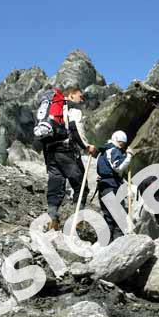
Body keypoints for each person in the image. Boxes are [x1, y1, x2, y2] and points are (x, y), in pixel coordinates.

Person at [42, 86, 97, 231]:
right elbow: (75, 128)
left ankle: (52, 220)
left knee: (55, 186)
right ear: (71, 95)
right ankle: (78, 223)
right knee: (81, 186)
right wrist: (86, 146)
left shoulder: (52, 108)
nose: (82, 99)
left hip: (51, 152)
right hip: (66, 151)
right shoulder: (73, 109)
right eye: (80, 96)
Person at [97, 131, 133, 241]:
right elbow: (119, 166)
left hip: (103, 187)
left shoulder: (102, 152)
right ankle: (118, 244)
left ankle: (107, 244)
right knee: (119, 218)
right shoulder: (113, 150)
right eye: (121, 143)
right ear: (116, 140)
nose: (122, 146)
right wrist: (129, 156)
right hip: (112, 187)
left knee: (109, 218)